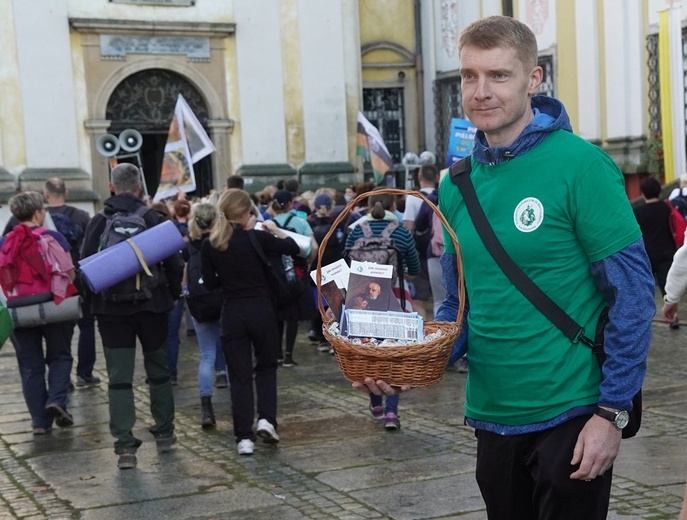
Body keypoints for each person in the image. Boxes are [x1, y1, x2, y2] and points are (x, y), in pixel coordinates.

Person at [356, 16, 654, 519]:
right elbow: (459, 306)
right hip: (492, 415)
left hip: (572, 411)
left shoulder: (581, 165)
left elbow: (634, 296)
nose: (480, 91)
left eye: (498, 75)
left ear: (533, 80)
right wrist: (409, 364)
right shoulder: (455, 184)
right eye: (470, 76)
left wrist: (612, 412)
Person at [81, 163, 184, 470]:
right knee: (159, 372)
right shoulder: (153, 219)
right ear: (140, 188)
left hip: (111, 312)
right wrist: (172, 296)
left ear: (111, 187)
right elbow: (175, 264)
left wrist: (93, 304)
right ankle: (165, 433)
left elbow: (85, 267)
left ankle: (125, 446)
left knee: (119, 378)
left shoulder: (98, 222)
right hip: (152, 307)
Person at [200, 188, 300, 456]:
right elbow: (294, 248)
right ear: (246, 214)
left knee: (239, 375)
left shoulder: (211, 244)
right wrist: (273, 229)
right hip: (262, 310)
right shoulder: (257, 238)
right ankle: (266, 419)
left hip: (233, 312)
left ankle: (243, 437)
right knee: (266, 367)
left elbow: (210, 283)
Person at [0, 191, 76, 434]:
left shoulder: (4, 242)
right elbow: (69, 272)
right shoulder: (53, 237)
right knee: (60, 356)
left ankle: (39, 423)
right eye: (43, 210)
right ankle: (56, 399)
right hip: (53, 305)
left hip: (18, 310)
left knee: (30, 365)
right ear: (37, 213)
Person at [345, 188, 421, 431]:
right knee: (396, 352)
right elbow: (414, 268)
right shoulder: (400, 233)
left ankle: (375, 402)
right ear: (393, 206)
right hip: (394, 296)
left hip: (362, 299)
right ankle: (391, 413)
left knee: (368, 348)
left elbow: (346, 262)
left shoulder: (355, 231)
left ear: (368, 207)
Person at [44, 177, 99, 387]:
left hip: (53, 282)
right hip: (79, 278)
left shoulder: (39, 216)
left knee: (59, 331)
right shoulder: (82, 216)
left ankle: (62, 377)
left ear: (46, 195)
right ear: (66, 193)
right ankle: (85, 373)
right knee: (86, 327)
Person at [185, 202, 227, 428]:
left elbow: (182, 275)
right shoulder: (221, 243)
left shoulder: (188, 244)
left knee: (206, 354)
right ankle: (236, 401)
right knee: (230, 350)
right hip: (222, 301)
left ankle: (206, 408)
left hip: (199, 304)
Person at [270, 189, 318, 367]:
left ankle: (278, 354)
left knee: (278, 314)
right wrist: (309, 263)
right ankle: (289, 354)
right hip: (297, 271)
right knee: (293, 315)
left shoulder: (268, 224)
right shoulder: (300, 222)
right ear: (291, 204)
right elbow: (314, 247)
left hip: (275, 273)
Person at [634, 177, 679, 328]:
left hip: (647, 254)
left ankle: (643, 319)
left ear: (643, 193)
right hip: (667, 251)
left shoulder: (638, 212)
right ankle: (673, 317)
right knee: (668, 286)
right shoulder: (666, 208)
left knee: (644, 288)